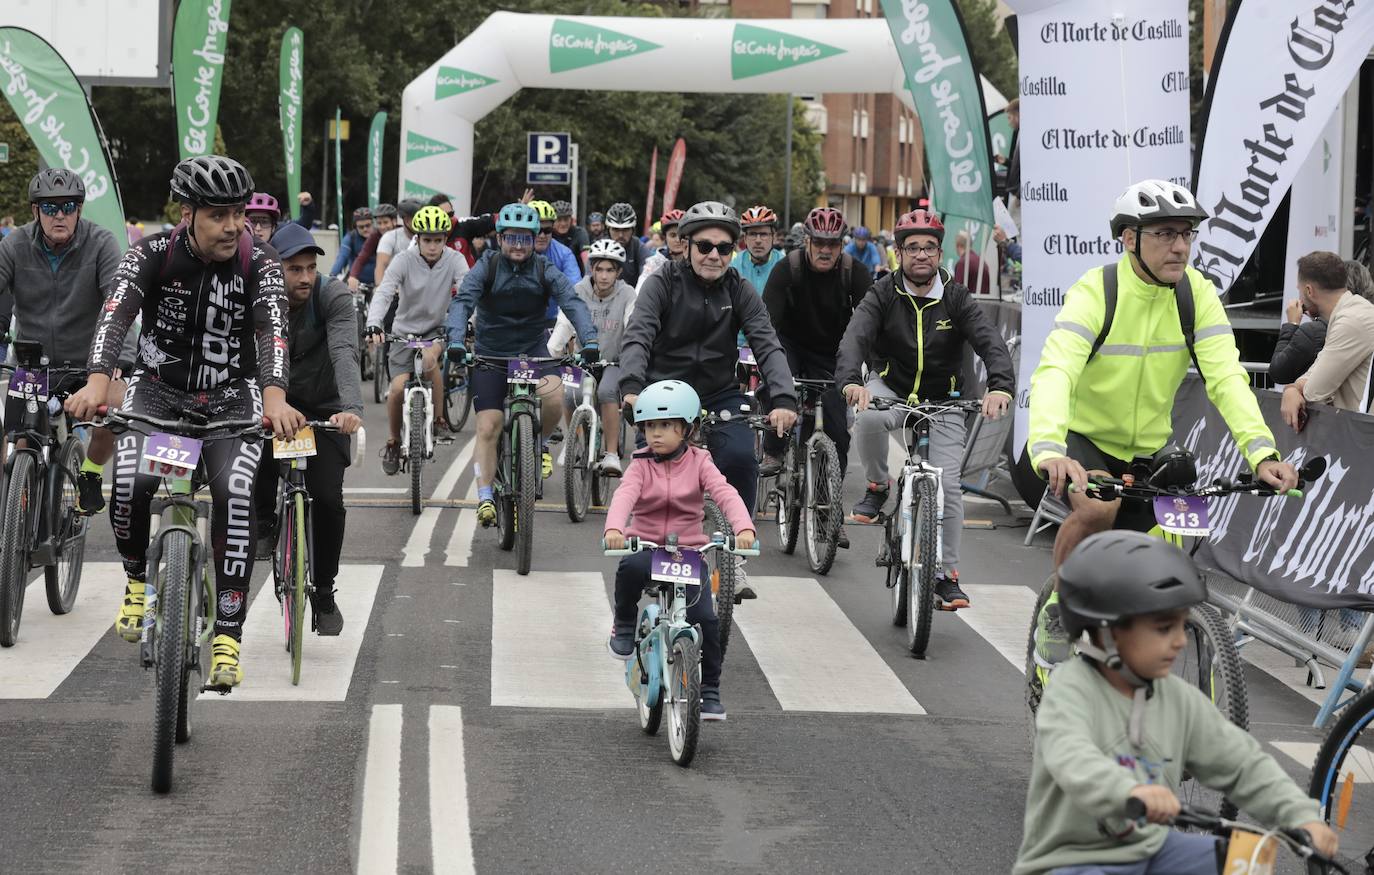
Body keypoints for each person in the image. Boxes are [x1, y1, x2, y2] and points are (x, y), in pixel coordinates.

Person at [1028, 180, 1298, 669]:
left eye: (1187, 234)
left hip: (1149, 448)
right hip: (1083, 441)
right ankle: (1057, 608)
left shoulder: (1196, 297)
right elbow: (1056, 370)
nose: (1180, 246)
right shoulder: (1098, 290)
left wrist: (1263, 454)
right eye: (1166, 234)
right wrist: (1048, 447)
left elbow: (1228, 379)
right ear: (1130, 238)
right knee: (1097, 511)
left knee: (1172, 540)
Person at [65, 155, 305, 689]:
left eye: (239, 214)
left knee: (237, 494)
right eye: (219, 215)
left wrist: (275, 398)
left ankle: (227, 635)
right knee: (129, 484)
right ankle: (134, 580)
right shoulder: (151, 252)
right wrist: (97, 384)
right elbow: (115, 316)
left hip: (231, 398)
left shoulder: (260, 261)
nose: (233, 226)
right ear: (187, 212)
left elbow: (273, 333)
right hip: (159, 394)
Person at [1013, 531, 1337, 875]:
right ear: (1108, 630)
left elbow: (1242, 763)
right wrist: (1129, 791)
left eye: (1182, 625)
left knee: (1246, 861)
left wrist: (1299, 814)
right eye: (1164, 628)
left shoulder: (1177, 699)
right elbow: (1072, 757)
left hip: (1152, 849)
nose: (1181, 640)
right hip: (1074, 859)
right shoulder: (1071, 689)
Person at [837, 209, 1014, 608]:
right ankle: (877, 485)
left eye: (929, 248)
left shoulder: (956, 296)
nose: (921, 255)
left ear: (940, 252)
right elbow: (856, 337)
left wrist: (1000, 386)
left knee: (949, 487)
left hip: (945, 399)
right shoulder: (882, 293)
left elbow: (990, 342)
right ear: (898, 252)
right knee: (866, 418)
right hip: (892, 388)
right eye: (912, 248)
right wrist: (851, 380)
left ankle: (946, 574)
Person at [619, 201, 797, 518]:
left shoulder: (738, 288)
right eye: (705, 246)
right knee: (651, 482)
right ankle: (649, 545)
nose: (714, 255)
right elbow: (639, 334)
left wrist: (783, 398)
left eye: (724, 248)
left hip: (719, 394)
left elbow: (767, 343)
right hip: (664, 393)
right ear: (686, 246)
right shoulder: (662, 282)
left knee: (742, 459)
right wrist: (632, 387)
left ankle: (736, 552)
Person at [603, 379, 756, 721]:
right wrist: (614, 528)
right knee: (628, 570)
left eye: (666, 426)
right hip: (647, 546)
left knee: (706, 621)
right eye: (650, 426)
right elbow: (624, 495)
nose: (656, 434)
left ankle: (711, 692)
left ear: (688, 429)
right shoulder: (641, 464)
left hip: (687, 554)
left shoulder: (701, 462)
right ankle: (624, 622)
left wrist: (743, 527)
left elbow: (725, 492)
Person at [446, 203, 598, 525]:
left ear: (534, 240)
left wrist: (590, 340)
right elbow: (462, 302)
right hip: (491, 353)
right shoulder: (486, 266)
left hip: (533, 351)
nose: (518, 245)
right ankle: (485, 495)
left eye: (525, 239)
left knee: (555, 397)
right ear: (500, 239)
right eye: (512, 238)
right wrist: (457, 340)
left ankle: (539, 444)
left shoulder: (544, 269)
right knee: (488, 426)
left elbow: (572, 303)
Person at [253, 223, 363, 635]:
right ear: (274, 267)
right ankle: (264, 520)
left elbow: (345, 352)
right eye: (293, 268)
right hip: (271, 401)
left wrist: (351, 409)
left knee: (329, 500)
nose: (303, 277)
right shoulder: (259, 297)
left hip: (325, 409)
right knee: (255, 460)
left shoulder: (332, 296)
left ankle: (325, 591)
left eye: (310, 269)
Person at [0, 168, 127, 513]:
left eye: (69, 206)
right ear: (34, 211)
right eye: (50, 207)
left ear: (80, 210)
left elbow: (120, 305)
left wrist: (119, 361)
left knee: (117, 407)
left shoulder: (101, 243)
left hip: (89, 363)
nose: (60, 215)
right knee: (17, 435)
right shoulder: (13, 245)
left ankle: (91, 472)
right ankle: (15, 507)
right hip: (32, 363)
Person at [759, 205, 870, 509]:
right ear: (806, 241)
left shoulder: (855, 274)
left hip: (835, 353)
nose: (825, 250)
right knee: (777, 385)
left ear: (841, 245)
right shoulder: (787, 269)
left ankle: (824, 510)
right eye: (818, 243)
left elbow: (870, 328)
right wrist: (772, 367)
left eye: (832, 244)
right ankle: (774, 449)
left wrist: (869, 373)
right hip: (790, 346)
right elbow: (767, 327)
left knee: (837, 434)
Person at [367, 206, 470, 472]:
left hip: (437, 330)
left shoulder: (456, 260)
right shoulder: (403, 260)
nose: (433, 246)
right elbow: (385, 292)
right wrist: (374, 323)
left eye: (438, 240)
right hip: (403, 334)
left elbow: (471, 293)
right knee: (398, 390)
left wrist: (469, 322)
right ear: (418, 238)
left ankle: (438, 420)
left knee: (428, 360)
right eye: (427, 240)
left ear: (446, 239)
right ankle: (392, 441)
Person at [548, 238, 636, 474]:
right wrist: (553, 352)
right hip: (581, 361)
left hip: (613, 361)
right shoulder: (578, 291)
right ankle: (572, 440)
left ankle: (610, 453)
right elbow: (565, 322)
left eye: (610, 270)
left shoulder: (627, 293)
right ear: (592, 270)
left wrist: (634, 353)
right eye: (599, 269)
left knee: (607, 392)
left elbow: (633, 323)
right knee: (569, 394)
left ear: (618, 272)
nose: (604, 276)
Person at [1279, 250, 1374, 428]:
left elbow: (1315, 390)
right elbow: (1317, 369)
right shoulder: (1352, 312)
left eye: (1299, 291)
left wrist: (1292, 389)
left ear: (1309, 291)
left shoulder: (1352, 320)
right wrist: (1294, 388)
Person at [1272, 258, 1374, 384]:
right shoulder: (1367, 321)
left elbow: (1279, 371)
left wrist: (1292, 325)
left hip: (1323, 401)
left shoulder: (1313, 332)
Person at [731, 205, 784, 295]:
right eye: (752, 234)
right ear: (745, 238)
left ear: (774, 237)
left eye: (763, 234)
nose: (758, 240)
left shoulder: (784, 264)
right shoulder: (733, 266)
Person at [603, 202, 655, 287]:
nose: (620, 235)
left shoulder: (638, 246)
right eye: (616, 229)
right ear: (608, 230)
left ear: (633, 230)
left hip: (634, 297)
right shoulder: (599, 247)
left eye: (625, 229)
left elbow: (648, 274)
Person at [530, 199, 582, 281]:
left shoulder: (565, 253)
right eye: (537, 230)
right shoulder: (515, 251)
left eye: (547, 230)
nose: (542, 236)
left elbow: (575, 286)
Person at [636, 209, 686, 290]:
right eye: (673, 235)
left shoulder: (696, 260)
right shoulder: (654, 263)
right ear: (665, 237)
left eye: (682, 235)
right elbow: (641, 288)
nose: (678, 240)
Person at [330, 207, 373, 281]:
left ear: (373, 223)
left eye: (368, 225)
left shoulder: (379, 237)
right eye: (361, 227)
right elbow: (342, 257)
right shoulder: (351, 237)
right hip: (356, 283)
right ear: (355, 227)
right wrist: (332, 276)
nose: (365, 229)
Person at [950, 229, 993, 295]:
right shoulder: (982, 262)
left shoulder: (963, 263)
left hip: (968, 303)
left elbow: (957, 292)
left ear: (958, 245)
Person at [550, 199, 590, 271]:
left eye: (566, 219)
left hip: (576, 277)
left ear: (571, 219)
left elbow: (586, 257)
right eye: (559, 219)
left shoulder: (579, 232)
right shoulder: (547, 233)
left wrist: (590, 277)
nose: (563, 223)